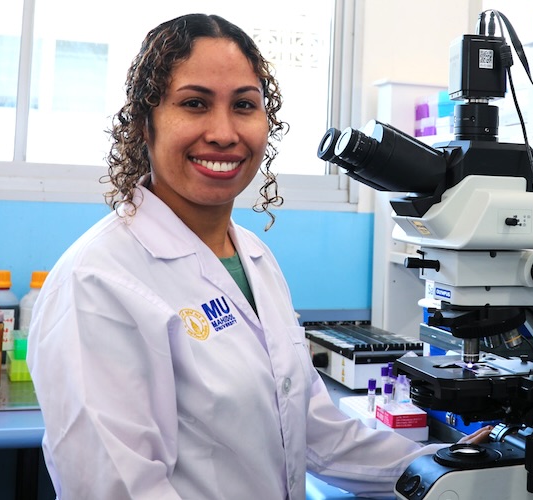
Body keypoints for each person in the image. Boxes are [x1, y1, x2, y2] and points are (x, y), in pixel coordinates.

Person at [27, 13, 491, 499]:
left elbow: (314, 433)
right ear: (146, 123)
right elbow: (118, 489)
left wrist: (438, 471)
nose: (224, 133)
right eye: (194, 103)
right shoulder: (96, 281)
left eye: (244, 105)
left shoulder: (255, 257)